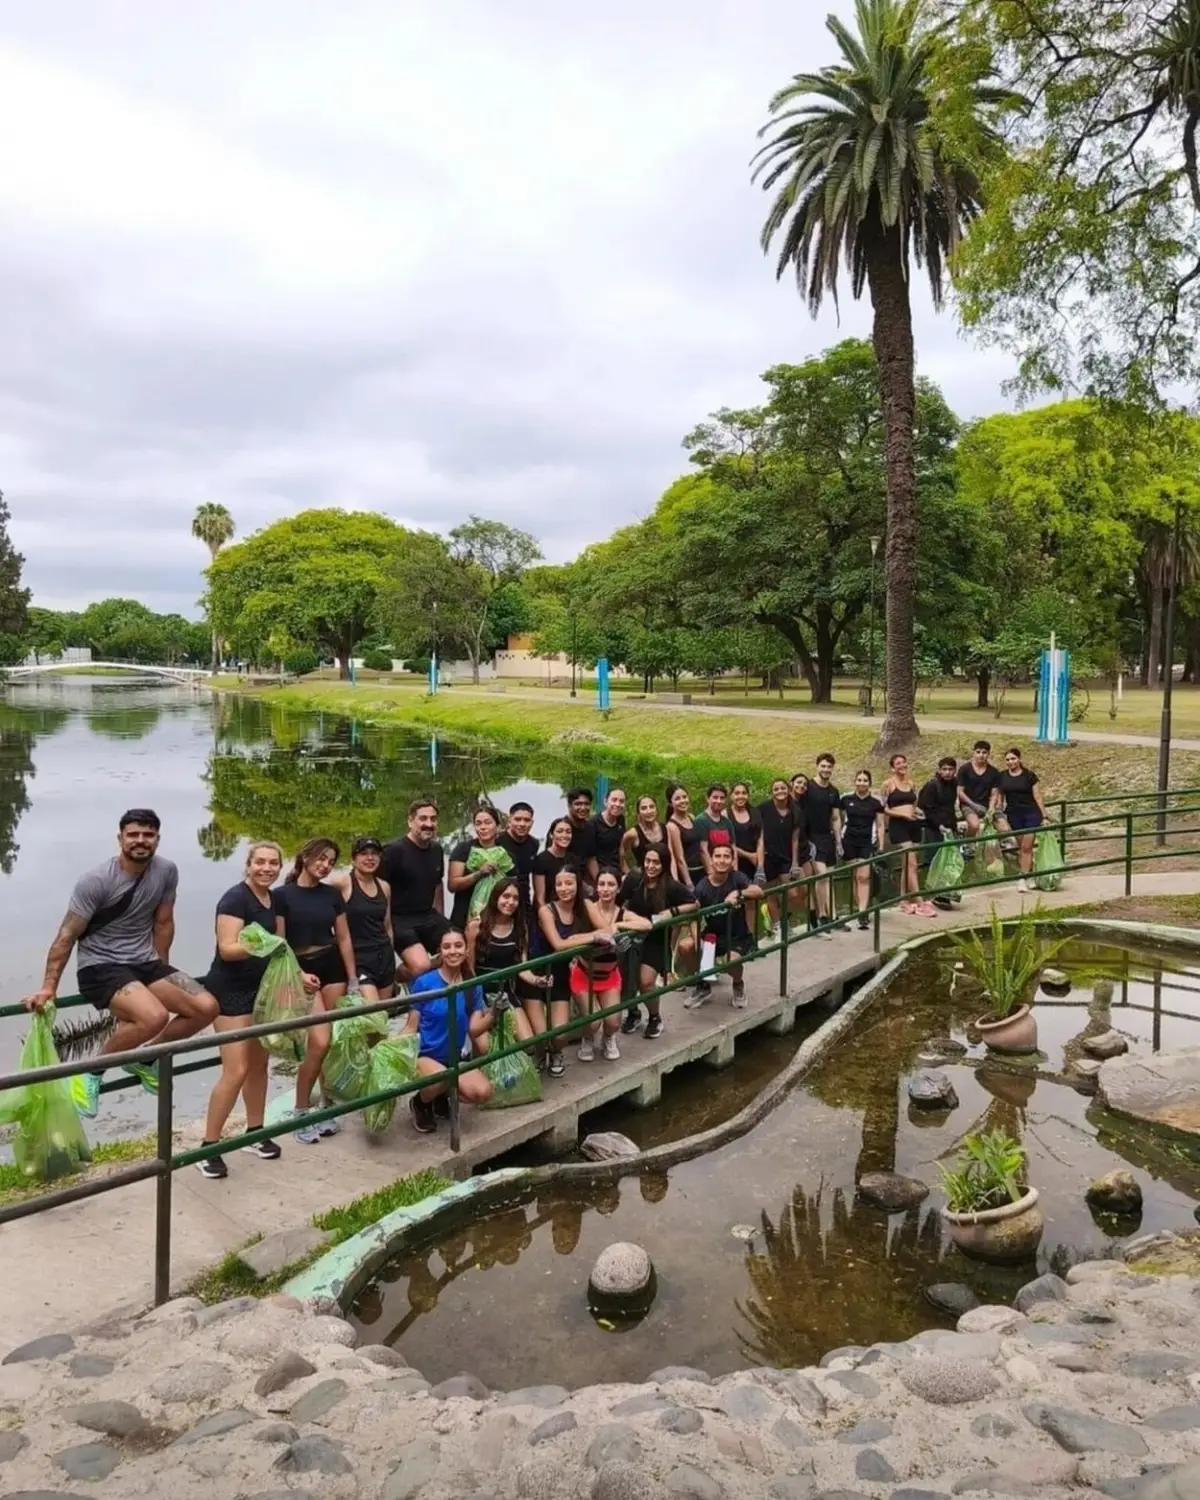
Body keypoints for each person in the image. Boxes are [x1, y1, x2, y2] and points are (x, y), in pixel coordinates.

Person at [22, 808, 218, 1119]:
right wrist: (49, 987)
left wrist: (163, 970)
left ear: (157, 839)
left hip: (145, 962)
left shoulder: (167, 871)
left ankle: (145, 1058)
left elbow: (164, 922)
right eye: (133, 835)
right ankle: (90, 1072)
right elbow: (66, 935)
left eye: (148, 835)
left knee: (206, 1007)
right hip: (100, 966)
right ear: (120, 838)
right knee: (153, 1016)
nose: (141, 840)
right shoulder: (96, 880)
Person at [196, 840, 285, 1178]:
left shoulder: (272, 899)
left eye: (273, 863)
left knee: (260, 1065)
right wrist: (265, 944)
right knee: (235, 1070)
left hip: (260, 991)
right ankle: (209, 1147)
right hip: (230, 992)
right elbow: (228, 948)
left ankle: (255, 1131)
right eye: (260, 862)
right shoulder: (235, 898)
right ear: (248, 865)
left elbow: (280, 948)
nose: (266, 868)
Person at [276, 837, 359, 1142]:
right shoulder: (281, 896)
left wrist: (353, 979)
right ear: (305, 857)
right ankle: (301, 1110)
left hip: (332, 967)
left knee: (331, 1042)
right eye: (321, 859)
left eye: (331, 862)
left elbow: (344, 938)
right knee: (318, 1042)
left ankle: (327, 1105)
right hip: (302, 970)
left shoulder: (332, 895)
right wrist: (298, 975)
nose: (325, 866)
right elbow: (280, 944)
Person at [405, 928, 493, 1133]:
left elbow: (474, 1029)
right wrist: (390, 1052)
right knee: (441, 1076)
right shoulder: (424, 983)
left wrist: (494, 1013)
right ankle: (421, 1102)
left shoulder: (472, 985)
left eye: (458, 946)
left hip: (454, 1057)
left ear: (467, 950)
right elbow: (411, 1025)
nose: (453, 951)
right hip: (426, 1055)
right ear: (440, 952)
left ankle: (440, 1094)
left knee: (483, 1092)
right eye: (447, 947)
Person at [618, 844, 697, 1039]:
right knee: (627, 979)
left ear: (664, 864)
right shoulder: (634, 879)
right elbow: (619, 902)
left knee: (645, 981)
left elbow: (694, 903)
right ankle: (633, 1012)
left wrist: (672, 911)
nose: (651, 866)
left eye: (656, 862)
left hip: (656, 940)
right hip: (632, 937)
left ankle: (655, 1017)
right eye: (648, 861)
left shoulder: (671, 886)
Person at [535, 866, 606, 1076]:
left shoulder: (585, 905)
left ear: (578, 884)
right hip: (539, 973)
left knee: (560, 1034)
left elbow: (607, 929)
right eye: (559, 884)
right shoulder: (546, 910)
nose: (564, 888)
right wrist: (590, 938)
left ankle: (557, 1052)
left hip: (563, 974)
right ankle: (540, 1054)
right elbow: (558, 944)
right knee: (539, 1035)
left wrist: (580, 939)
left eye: (569, 883)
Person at [580, 867, 650, 1060]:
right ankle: (587, 1037)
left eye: (611, 884)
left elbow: (646, 924)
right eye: (601, 884)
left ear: (618, 888)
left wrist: (618, 925)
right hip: (585, 973)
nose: (605, 889)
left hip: (609, 974)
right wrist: (610, 931)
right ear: (596, 887)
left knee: (613, 1022)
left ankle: (608, 1037)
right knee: (593, 1021)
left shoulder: (622, 913)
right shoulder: (588, 907)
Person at [381, 799, 450, 980]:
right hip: (400, 919)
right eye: (423, 818)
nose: (429, 824)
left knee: (458, 951)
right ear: (410, 821)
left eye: (433, 819)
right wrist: (384, 925)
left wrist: (441, 918)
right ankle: (396, 977)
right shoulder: (393, 851)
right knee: (421, 966)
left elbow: (438, 884)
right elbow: (377, 888)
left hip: (428, 915)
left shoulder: (437, 849)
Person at [690, 843, 764, 1008]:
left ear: (732, 860)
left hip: (737, 936)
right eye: (718, 856)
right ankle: (703, 984)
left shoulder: (737, 878)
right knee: (686, 946)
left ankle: (738, 984)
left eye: (726, 856)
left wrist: (738, 892)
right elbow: (692, 918)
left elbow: (759, 892)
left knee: (732, 961)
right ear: (711, 859)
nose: (722, 860)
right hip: (713, 935)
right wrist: (697, 941)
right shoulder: (702, 887)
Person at [466, 878, 545, 1022]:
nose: (510, 902)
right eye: (506, 896)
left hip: (506, 993)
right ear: (496, 897)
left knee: (527, 1035)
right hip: (480, 993)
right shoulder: (476, 926)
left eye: (515, 898)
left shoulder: (520, 927)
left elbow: (522, 967)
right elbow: (469, 968)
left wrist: (537, 980)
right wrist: (478, 1000)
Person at [331, 836, 397, 1003]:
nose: (370, 858)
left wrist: (392, 958)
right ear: (353, 859)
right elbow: (315, 889)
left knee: (384, 1013)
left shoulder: (384, 886)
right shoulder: (343, 883)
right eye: (364, 854)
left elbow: (387, 925)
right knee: (372, 1012)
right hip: (359, 958)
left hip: (384, 957)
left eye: (374, 854)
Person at [881, 753, 933, 917]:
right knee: (912, 864)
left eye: (904, 762)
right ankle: (919, 900)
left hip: (913, 824)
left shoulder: (911, 783)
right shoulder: (888, 784)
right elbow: (883, 808)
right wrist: (902, 814)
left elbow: (914, 804)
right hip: (899, 825)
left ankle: (904, 900)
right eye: (898, 763)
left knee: (908, 865)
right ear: (893, 767)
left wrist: (917, 813)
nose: (902, 765)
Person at [447, 805, 509, 931]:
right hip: (464, 917)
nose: (483, 827)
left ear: (498, 826)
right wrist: (479, 873)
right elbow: (452, 885)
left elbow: (512, 887)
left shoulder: (505, 854)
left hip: (496, 919)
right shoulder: (464, 849)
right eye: (478, 823)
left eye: (488, 823)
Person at [838, 772, 886, 931]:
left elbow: (880, 824)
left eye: (865, 780)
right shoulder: (846, 799)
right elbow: (839, 819)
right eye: (859, 780)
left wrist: (881, 845)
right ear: (855, 781)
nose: (862, 783)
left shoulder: (876, 802)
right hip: (849, 841)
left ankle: (862, 913)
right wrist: (838, 841)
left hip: (867, 841)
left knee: (863, 876)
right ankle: (859, 907)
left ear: (869, 783)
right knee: (855, 876)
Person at [757, 778, 802, 936]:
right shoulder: (764, 809)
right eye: (776, 789)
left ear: (788, 789)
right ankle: (777, 927)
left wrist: (795, 862)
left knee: (793, 894)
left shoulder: (795, 810)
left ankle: (781, 919)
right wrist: (760, 862)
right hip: (768, 857)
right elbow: (759, 835)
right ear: (772, 792)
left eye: (783, 788)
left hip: (785, 857)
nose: (780, 791)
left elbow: (795, 839)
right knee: (772, 894)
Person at [997, 747, 1047, 889]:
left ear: (1019, 759)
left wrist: (1044, 814)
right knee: (1022, 847)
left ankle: (1022, 878)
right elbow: (1000, 796)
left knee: (1027, 847)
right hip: (1014, 814)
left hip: (1031, 813)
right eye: (1007, 760)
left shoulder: (1029, 776)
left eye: (1013, 758)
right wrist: (998, 811)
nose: (1010, 762)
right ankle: (1030, 874)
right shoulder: (1002, 776)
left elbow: (1037, 796)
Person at [804, 755, 842, 935]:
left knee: (830, 877)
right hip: (811, 837)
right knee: (822, 875)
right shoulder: (808, 787)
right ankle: (822, 915)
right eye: (823, 766)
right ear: (817, 766)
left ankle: (834, 916)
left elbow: (835, 817)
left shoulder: (833, 791)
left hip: (827, 837)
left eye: (829, 767)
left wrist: (839, 840)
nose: (826, 770)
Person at [918, 757, 962, 909]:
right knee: (935, 861)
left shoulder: (954, 783)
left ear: (955, 770)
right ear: (939, 770)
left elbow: (950, 806)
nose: (947, 772)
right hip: (934, 828)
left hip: (950, 826)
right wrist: (939, 825)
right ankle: (936, 894)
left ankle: (946, 894)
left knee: (949, 862)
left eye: (950, 769)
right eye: (944, 769)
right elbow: (926, 808)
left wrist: (953, 825)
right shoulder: (932, 785)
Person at [957, 741, 1002, 842]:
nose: (981, 755)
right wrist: (973, 805)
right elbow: (960, 792)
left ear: (988, 754)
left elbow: (994, 794)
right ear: (973, 753)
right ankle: (967, 842)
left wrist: (991, 809)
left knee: (1004, 828)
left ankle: (994, 845)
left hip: (986, 805)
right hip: (968, 804)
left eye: (984, 752)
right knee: (975, 825)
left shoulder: (994, 772)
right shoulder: (965, 769)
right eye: (978, 752)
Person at [499, 801, 539, 910]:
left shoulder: (534, 843)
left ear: (532, 822)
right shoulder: (497, 841)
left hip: (524, 899)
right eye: (517, 819)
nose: (522, 824)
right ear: (509, 820)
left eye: (526, 820)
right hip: (501, 899)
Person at [665, 782, 705, 891]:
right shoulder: (672, 826)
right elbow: (679, 859)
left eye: (684, 797)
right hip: (689, 873)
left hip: (701, 869)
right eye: (677, 799)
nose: (682, 801)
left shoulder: (691, 817)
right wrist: (689, 883)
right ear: (670, 803)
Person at [533, 816, 577, 908]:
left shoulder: (574, 859)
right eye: (560, 831)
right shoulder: (541, 859)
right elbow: (540, 898)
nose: (564, 835)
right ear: (551, 835)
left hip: (569, 910)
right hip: (548, 909)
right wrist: (545, 914)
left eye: (568, 832)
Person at [585, 787, 627, 883]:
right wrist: (600, 882)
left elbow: (621, 851)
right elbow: (591, 859)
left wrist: (627, 873)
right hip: (601, 873)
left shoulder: (621, 820)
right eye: (614, 800)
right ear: (605, 802)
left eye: (621, 801)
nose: (618, 804)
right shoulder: (593, 823)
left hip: (617, 871)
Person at [694, 783, 736, 876]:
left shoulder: (727, 822)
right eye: (715, 797)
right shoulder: (701, 821)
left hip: (727, 871)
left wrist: (735, 871)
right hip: (710, 873)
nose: (719, 801)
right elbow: (703, 850)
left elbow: (733, 847)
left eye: (722, 798)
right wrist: (712, 875)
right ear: (708, 798)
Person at [621, 794, 666, 872]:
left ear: (656, 809)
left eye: (651, 807)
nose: (648, 811)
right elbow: (621, 855)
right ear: (639, 813)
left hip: (664, 875)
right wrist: (627, 874)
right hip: (643, 876)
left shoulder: (665, 828)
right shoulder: (632, 834)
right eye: (644, 808)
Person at [564, 787, 594, 863]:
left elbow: (591, 858)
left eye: (586, 804)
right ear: (569, 806)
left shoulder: (590, 828)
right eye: (578, 804)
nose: (583, 808)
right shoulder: (560, 828)